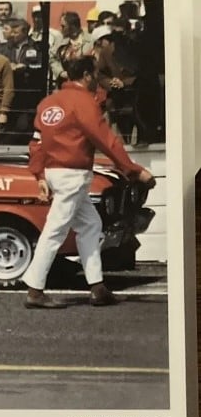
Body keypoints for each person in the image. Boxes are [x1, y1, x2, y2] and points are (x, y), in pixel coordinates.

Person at [21, 55, 155, 310]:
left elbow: (36, 142)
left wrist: (38, 175)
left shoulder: (49, 102)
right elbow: (106, 139)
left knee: (91, 224)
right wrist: (133, 170)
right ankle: (35, 289)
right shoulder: (83, 102)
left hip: (54, 172)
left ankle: (97, 287)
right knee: (55, 231)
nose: (98, 79)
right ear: (86, 75)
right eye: (95, 74)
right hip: (73, 174)